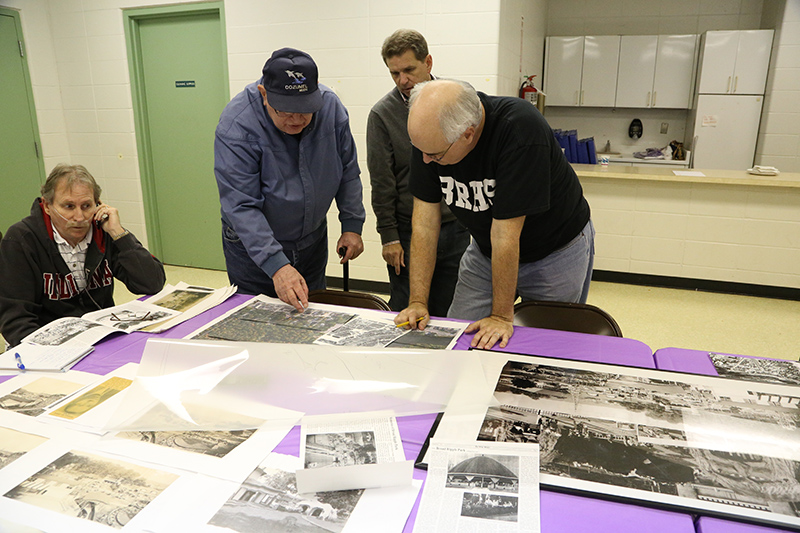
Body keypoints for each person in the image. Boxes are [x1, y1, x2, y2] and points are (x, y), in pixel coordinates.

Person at [395, 79, 594, 350]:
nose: (426, 161)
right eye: (422, 152)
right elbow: (424, 224)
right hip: (486, 248)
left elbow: (506, 235)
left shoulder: (520, 129)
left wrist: (501, 316)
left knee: (548, 346)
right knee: (460, 337)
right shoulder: (430, 140)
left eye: (434, 155)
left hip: (555, 249)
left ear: (468, 133)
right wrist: (417, 301)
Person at [214, 47, 365, 312]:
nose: (297, 119)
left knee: (313, 316)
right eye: (285, 110)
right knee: (256, 323)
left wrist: (352, 224)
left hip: (312, 240)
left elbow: (348, 170)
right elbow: (241, 205)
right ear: (264, 95)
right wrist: (277, 265)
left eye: (305, 109)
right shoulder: (237, 125)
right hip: (253, 250)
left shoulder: (330, 107)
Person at [0, 164, 166, 347]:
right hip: (45, 342)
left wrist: (119, 234)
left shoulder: (104, 231)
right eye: (69, 206)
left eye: (86, 206)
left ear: (98, 205)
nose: (79, 217)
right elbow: (15, 318)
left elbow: (152, 283)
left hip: (99, 336)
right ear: (47, 206)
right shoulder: (21, 240)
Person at [366, 29, 469, 315]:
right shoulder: (382, 115)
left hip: (456, 224)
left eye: (409, 70)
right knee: (407, 307)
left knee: (453, 309)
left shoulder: (457, 99)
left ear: (429, 63)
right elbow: (382, 181)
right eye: (394, 73)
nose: (403, 80)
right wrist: (389, 236)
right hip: (408, 229)